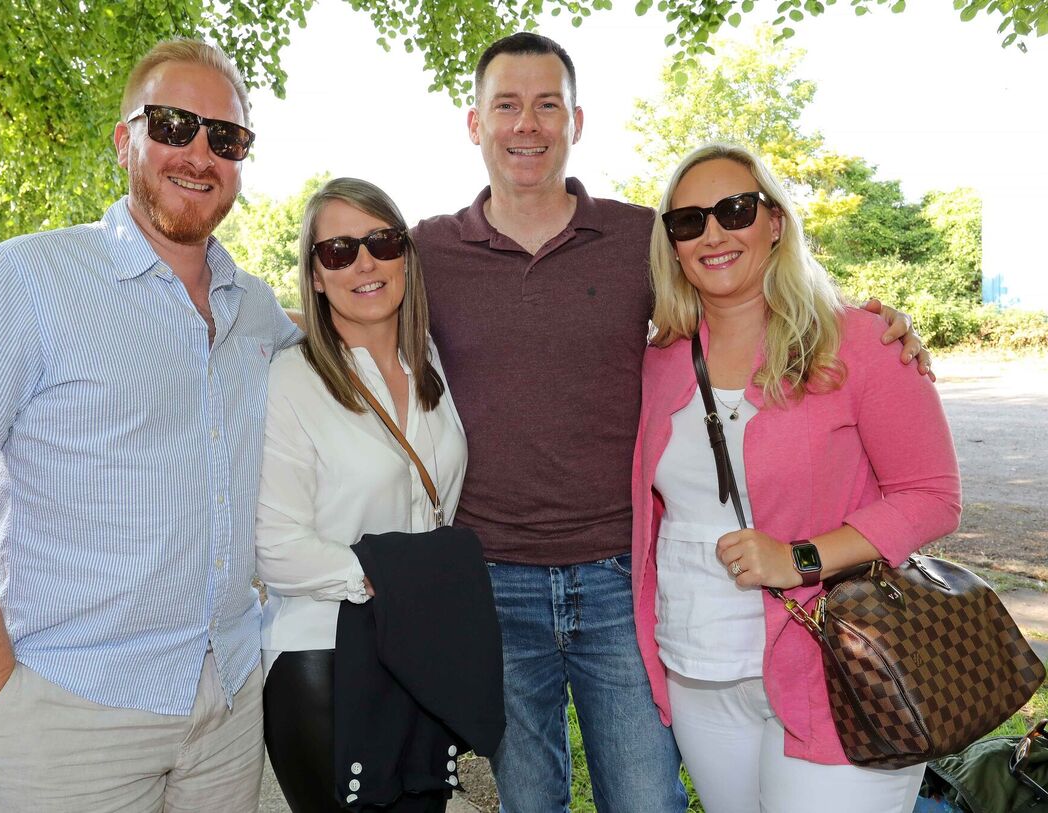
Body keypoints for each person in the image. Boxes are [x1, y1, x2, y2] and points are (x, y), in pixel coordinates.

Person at [410, 32, 931, 813]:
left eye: (547, 104)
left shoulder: (639, 237)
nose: (527, 124)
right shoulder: (428, 251)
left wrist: (873, 322)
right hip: (494, 577)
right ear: (473, 122)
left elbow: (747, 285)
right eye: (507, 105)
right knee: (527, 796)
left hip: (621, 581)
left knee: (647, 797)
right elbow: (351, 310)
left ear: (575, 120)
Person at [0, 38, 299, 811]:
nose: (200, 153)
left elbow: (350, 349)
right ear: (125, 140)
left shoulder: (256, 312)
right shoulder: (22, 281)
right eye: (175, 124)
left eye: (227, 137)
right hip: (67, 715)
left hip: (228, 703)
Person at [630, 143, 962, 813]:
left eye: (735, 210)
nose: (714, 233)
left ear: (775, 221)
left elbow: (932, 496)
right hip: (699, 662)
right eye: (688, 221)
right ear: (672, 244)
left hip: (836, 660)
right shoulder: (656, 358)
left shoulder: (857, 340)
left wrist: (798, 558)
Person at [254, 177, 468, 812]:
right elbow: (274, 547)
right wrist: (395, 579)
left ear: (406, 255)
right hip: (324, 662)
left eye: (382, 241)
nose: (365, 263)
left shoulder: (432, 362)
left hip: (419, 656)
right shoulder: (293, 381)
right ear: (316, 276)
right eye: (339, 251)